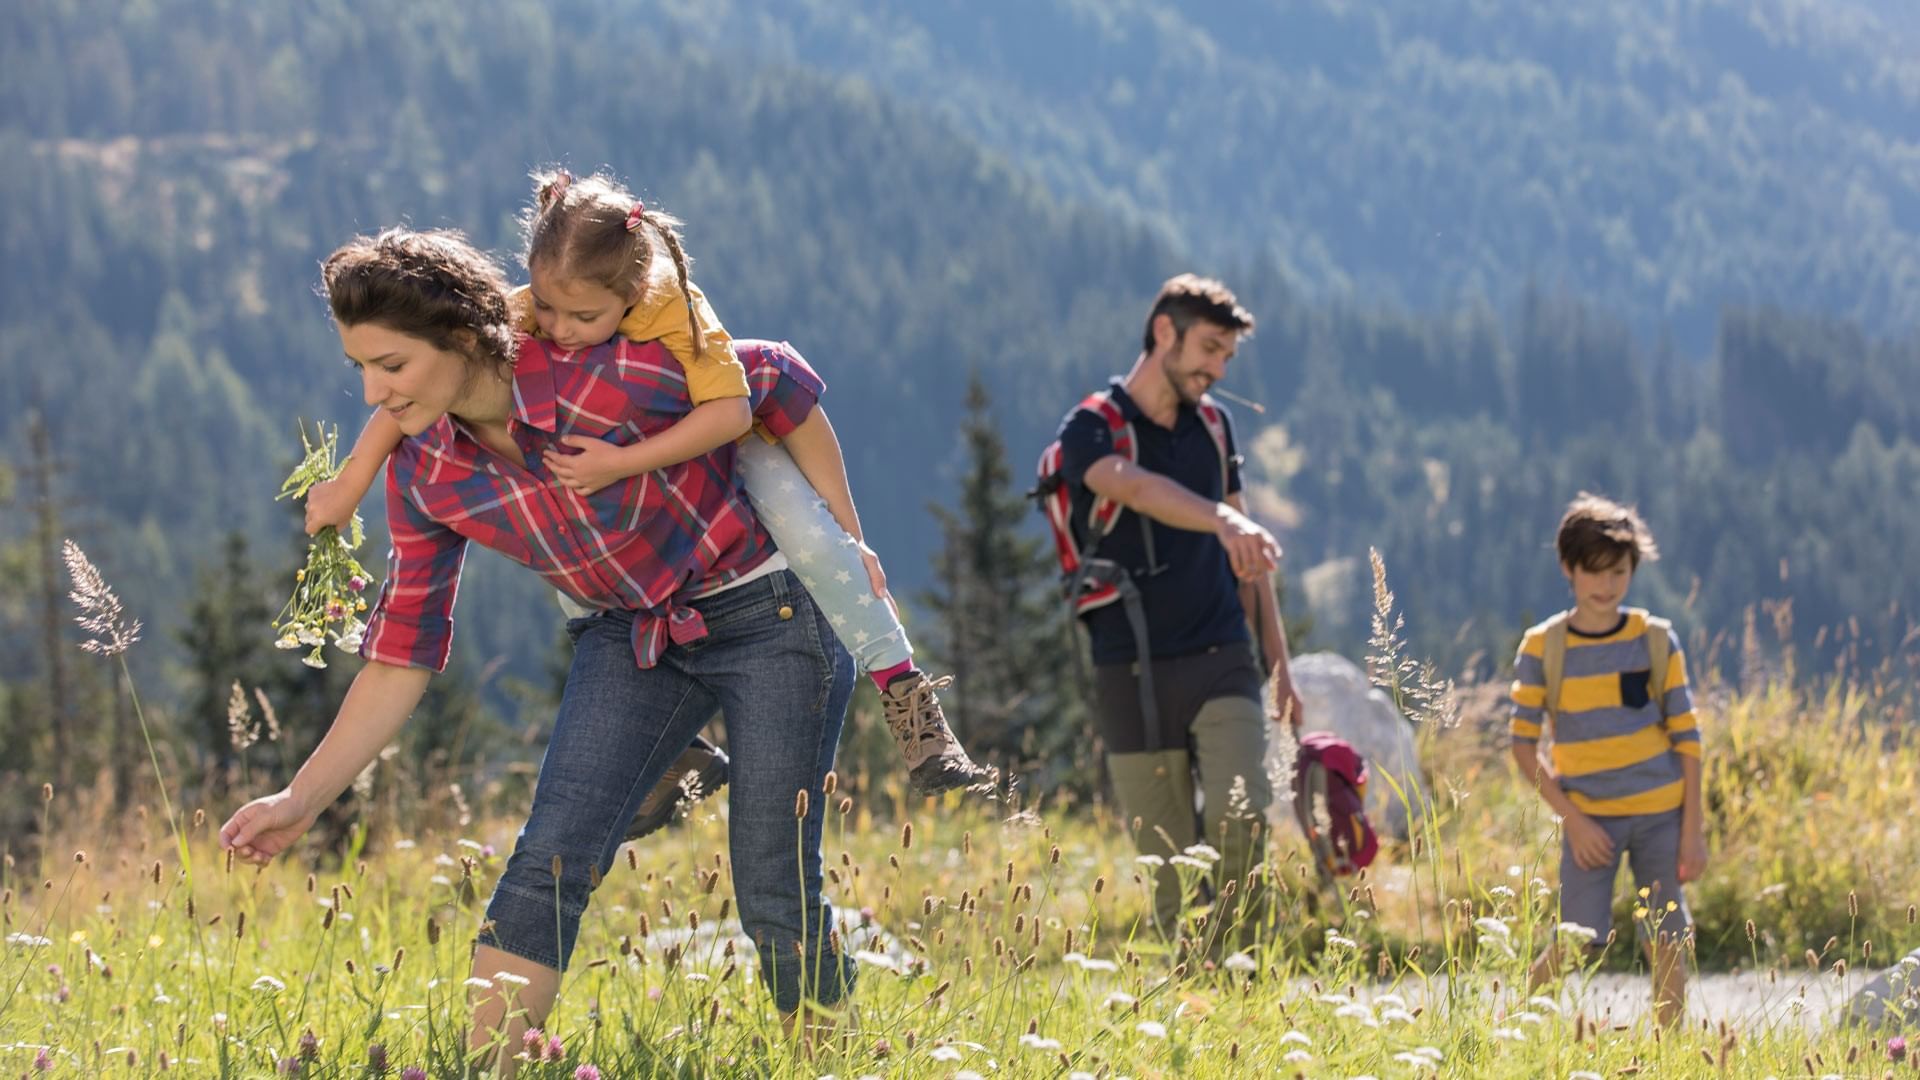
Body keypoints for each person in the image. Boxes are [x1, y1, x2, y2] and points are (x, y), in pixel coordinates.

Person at [221, 227, 856, 1070]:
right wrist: (302, 800)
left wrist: (846, 544)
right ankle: (491, 1070)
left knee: (773, 881)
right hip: (631, 634)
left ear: (458, 341)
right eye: (360, 369)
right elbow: (402, 649)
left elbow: (768, 374)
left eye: (393, 366)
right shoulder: (426, 472)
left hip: (771, 616)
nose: (374, 393)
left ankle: (835, 1059)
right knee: (549, 856)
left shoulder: (601, 371)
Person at [303, 170, 990, 805]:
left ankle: (905, 692)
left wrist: (850, 534)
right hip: (635, 499)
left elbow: (770, 384)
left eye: (583, 320)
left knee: (812, 539)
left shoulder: (667, 327)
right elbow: (403, 405)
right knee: (561, 545)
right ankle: (672, 753)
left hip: (731, 440)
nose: (561, 332)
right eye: (548, 310)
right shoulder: (531, 317)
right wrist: (348, 487)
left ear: (628, 299)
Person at [1049, 273, 1305, 955]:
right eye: (1210, 350)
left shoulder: (1214, 428)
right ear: (1164, 331)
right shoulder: (1091, 429)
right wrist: (1219, 516)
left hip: (1221, 655)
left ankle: (1243, 976)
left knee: (1240, 818)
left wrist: (1280, 669)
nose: (1217, 371)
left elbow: (1250, 561)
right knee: (1169, 866)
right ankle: (1197, 997)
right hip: (1128, 669)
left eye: (1228, 358)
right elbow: (1129, 486)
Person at [1509, 493, 1706, 1027]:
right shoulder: (1542, 647)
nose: (1607, 584)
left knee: (1665, 937)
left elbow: (1689, 740)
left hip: (1661, 813)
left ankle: (1671, 1050)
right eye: (1593, 571)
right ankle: (1517, 1030)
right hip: (1587, 820)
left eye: (1618, 571)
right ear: (1568, 569)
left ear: (1632, 568)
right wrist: (1572, 821)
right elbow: (1522, 746)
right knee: (1578, 940)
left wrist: (1694, 830)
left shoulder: (1655, 639)